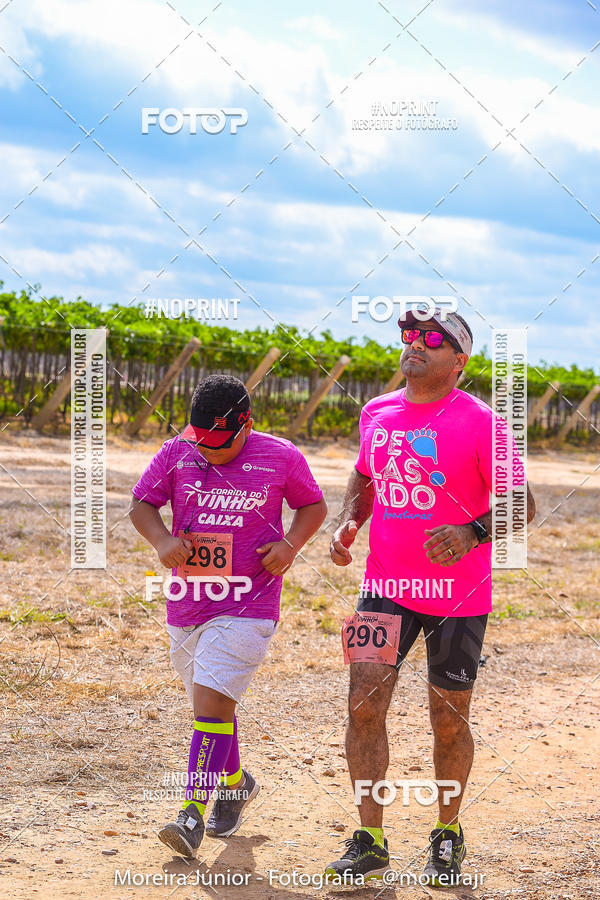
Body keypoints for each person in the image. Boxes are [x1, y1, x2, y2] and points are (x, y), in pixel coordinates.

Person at [325, 309, 535, 886]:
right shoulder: (377, 411)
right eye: (409, 336)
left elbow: (527, 505)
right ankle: (369, 840)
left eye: (433, 339)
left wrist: (472, 532)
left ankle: (447, 835)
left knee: (448, 719)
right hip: (383, 589)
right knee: (363, 705)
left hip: (458, 599)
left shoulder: (484, 423)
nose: (415, 344)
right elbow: (365, 475)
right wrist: (349, 521)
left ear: (459, 361)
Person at [129, 374, 327, 857]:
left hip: (249, 604)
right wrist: (162, 541)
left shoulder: (281, 456)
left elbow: (313, 506)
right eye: (203, 443)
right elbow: (141, 504)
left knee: (212, 705)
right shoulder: (178, 451)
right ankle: (236, 784)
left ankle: (190, 814)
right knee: (210, 709)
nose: (210, 452)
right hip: (188, 603)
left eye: (222, 443)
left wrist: (290, 545)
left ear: (247, 426)